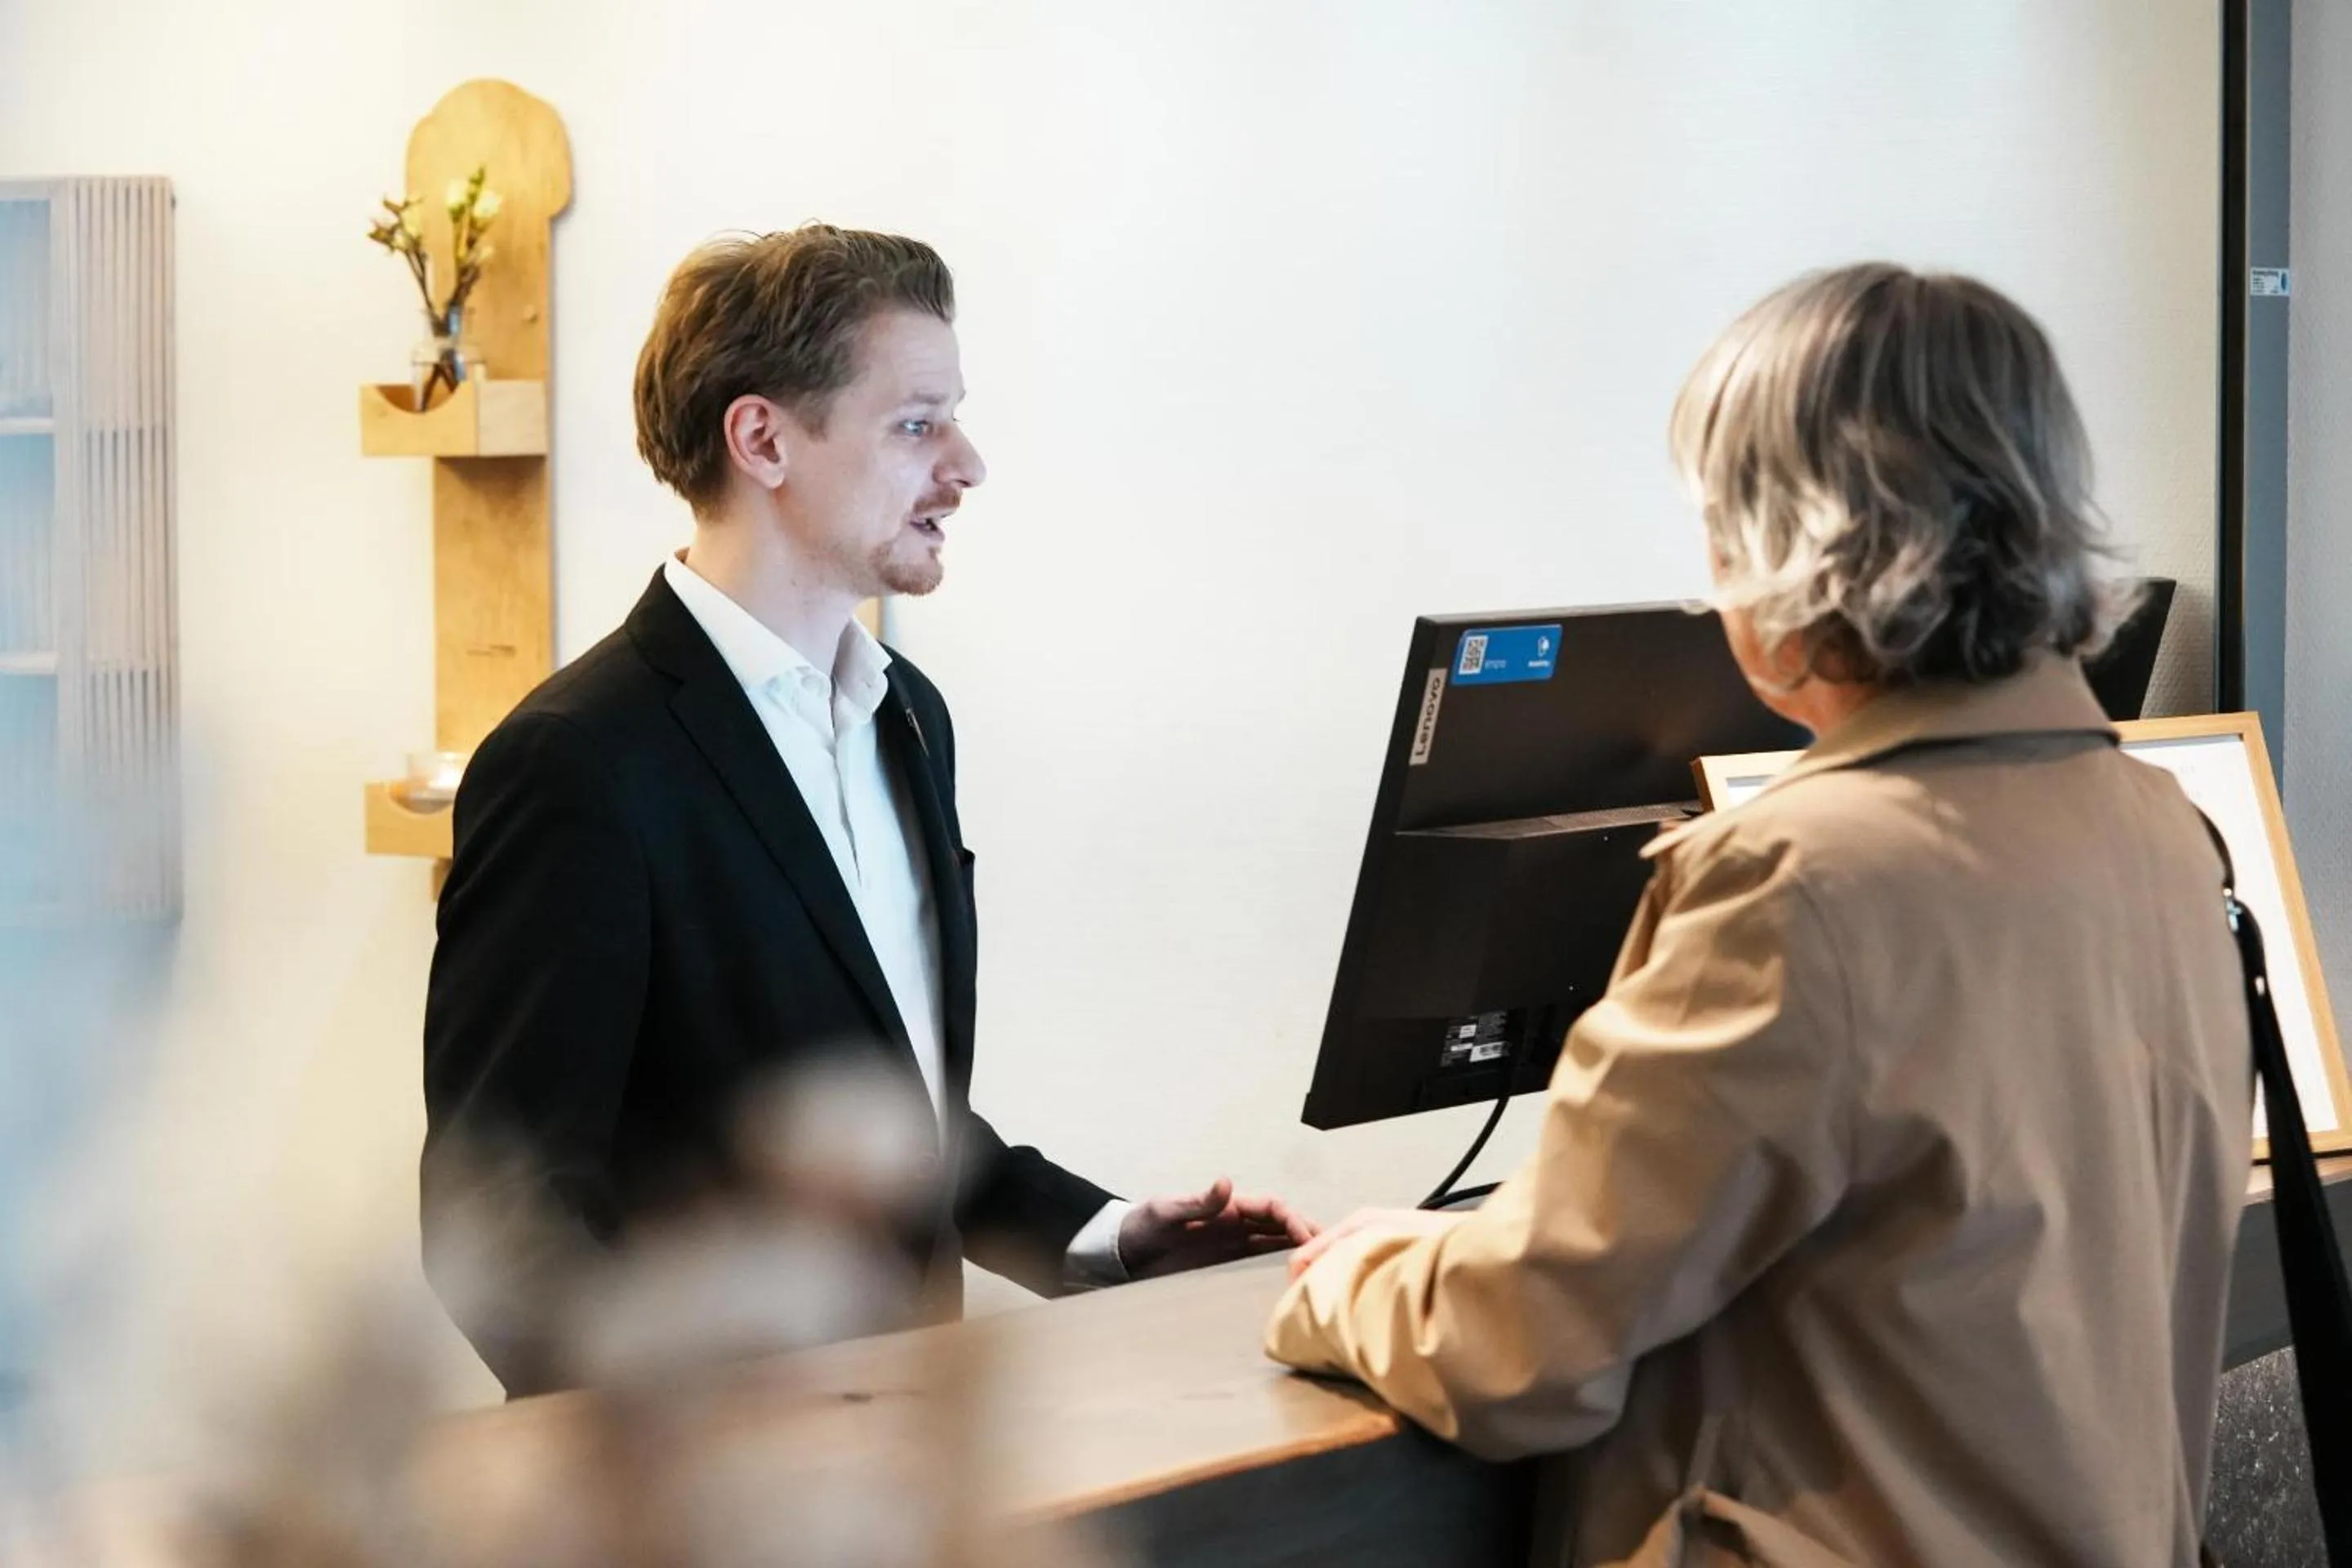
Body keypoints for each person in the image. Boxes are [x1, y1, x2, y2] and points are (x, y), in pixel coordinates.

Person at [1264, 264, 2252, 1566]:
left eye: (1719, 525)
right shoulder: (2165, 836)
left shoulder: (1795, 877)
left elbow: (1521, 1350)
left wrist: (1349, 1277)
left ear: (1801, 546)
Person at [423, 224, 1312, 1397]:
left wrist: (1103, 1236)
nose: (967, 464)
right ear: (763, 440)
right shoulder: (577, 763)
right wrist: (668, 1470)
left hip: (906, 1471)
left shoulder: (911, 722)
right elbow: (496, 1222)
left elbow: (898, 1126)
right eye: (916, 423)